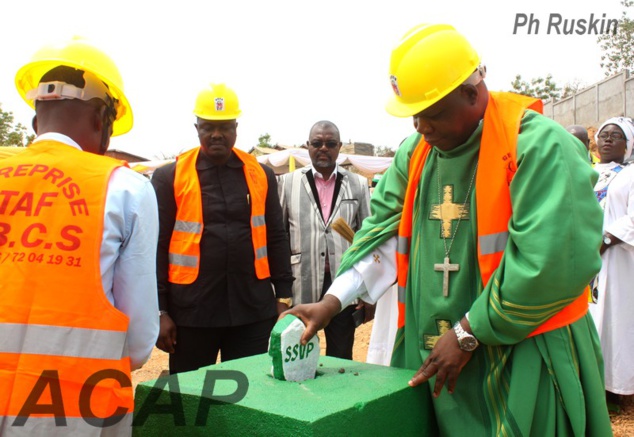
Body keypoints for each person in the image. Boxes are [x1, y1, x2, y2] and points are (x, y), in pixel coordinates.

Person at [285, 23, 612, 435]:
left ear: (473, 93)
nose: (421, 127)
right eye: (414, 116)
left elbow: (550, 262)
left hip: (524, 351)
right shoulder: (417, 151)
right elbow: (384, 231)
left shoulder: (539, 145)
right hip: (432, 348)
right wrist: (333, 301)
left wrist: (466, 335)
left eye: (432, 113)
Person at [0, 37, 159, 435]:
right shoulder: (125, 189)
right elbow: (139, 339)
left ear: (37, 121)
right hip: (70, 409)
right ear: (101, 119)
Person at [152, 83, 294, 374]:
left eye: (225, 126)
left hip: (251, 310)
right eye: (208, 127)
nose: (216, 134)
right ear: (197, 128)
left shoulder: (261, 175)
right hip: (191, 314)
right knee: (191, 399)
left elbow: (276, 237)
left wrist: (283, 297)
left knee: (249, 396)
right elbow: (157, 245)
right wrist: (160, 311)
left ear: (236, 128)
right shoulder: (170, 177)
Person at [277, 120, 371, 359]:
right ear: (308, 146)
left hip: (344, 285)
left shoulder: (358, 184)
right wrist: (280, 294)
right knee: (298, 351)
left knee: (341, 355)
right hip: (301, 282)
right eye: (317, 143)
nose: (323, 149)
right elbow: (279, 237)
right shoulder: (288, 183)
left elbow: (368, 240)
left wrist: (367, 293)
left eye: (330, 144)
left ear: (339, 147)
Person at [589, 116, 634, 414]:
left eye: (616, 136)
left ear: (628, 145)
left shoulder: (631, 175)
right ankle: (592, 383)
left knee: (616, 319)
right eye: (604, 134)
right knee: (590, 318)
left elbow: (631, 218)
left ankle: (618, 388)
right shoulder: (588, 171)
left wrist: (603, 243)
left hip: (617, 259)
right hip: (586, 258)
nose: (607, 139)